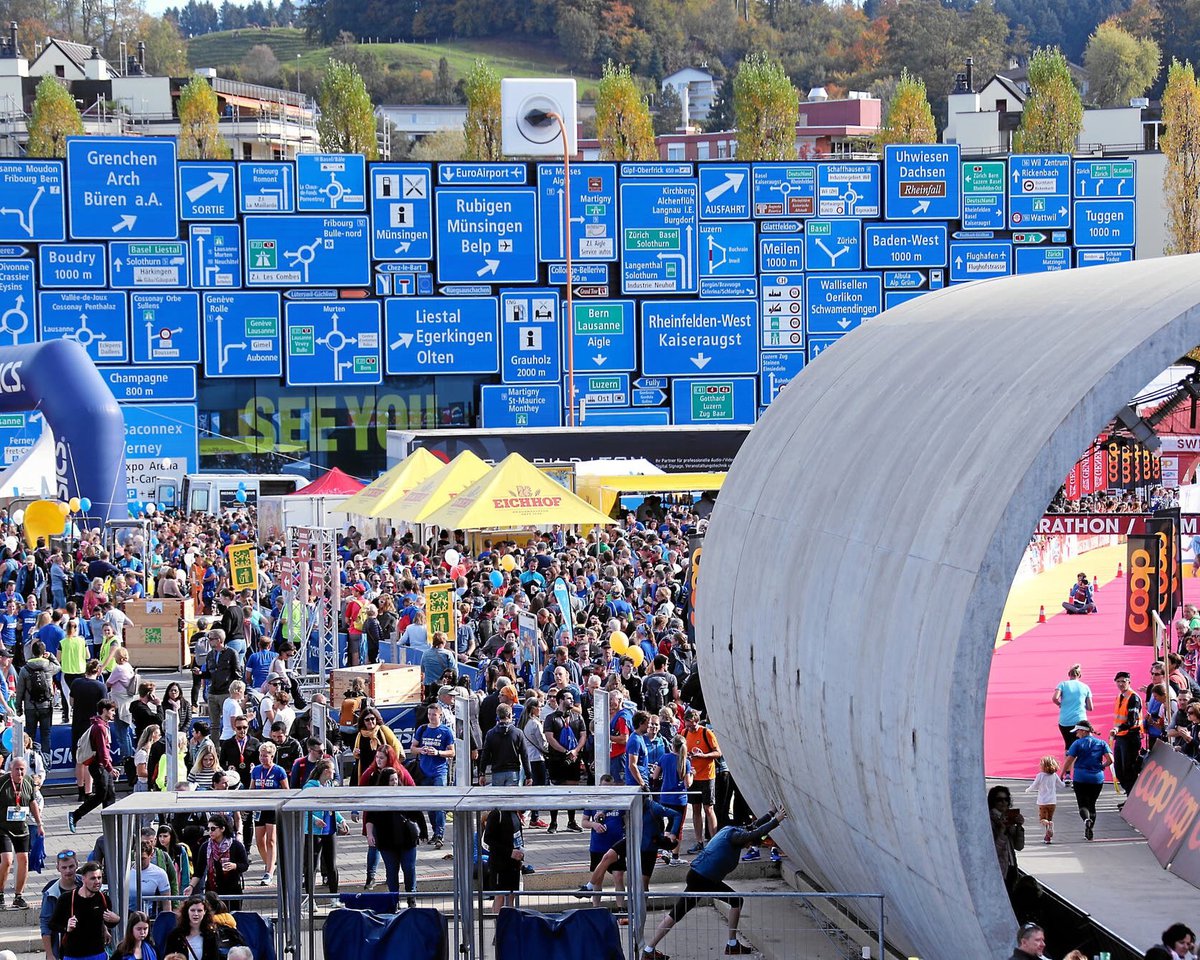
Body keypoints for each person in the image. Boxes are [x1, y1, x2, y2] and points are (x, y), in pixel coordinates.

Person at [640, 806, 788, 960]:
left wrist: (770, 813)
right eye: (748, 844)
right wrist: (777, 820)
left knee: (678, 913)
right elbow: (756, 832)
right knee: (735, 901)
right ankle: (731, 944)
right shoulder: (737, 837)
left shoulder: (731, 830)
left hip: (699, 876)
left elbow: (753, 827)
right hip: (703, 878)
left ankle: (650, 949)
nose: (747, 846)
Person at [364, 768, 419, 909]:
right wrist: (370, 835)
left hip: (407, 839)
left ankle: (411, 898)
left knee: (409, 868)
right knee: (391, 871)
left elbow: (416, 813)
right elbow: (370, 818)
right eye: (391, 780)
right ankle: (394, 900)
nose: (395, 782)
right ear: (384, 782)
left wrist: (422, 832)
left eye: (396, 779)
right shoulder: (377, 798)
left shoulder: (404, 794)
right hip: (387, 841)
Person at [48, 861, 119, 960]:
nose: (97, 882)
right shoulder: (67, 898)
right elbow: (52, 924)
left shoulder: (103, 899)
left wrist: (116, 920)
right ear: (83, 879)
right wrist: (66, 927)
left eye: (99, 878)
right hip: (73, 955)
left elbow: (109, 924)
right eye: (93, 878)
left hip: (97, 954)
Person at [0, 756, 44, 909]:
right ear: (10, 770)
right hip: (3, 827)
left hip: (21, 826)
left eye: (22, 769)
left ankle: (18, 896)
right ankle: (0, 894)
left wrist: (39, 823)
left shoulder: (28, 782)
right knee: (7, 860)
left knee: (24, 859)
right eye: (16, 769)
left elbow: (32, 802)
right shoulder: (3, 782)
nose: (19, 772)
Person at [68, 699, 119, 833]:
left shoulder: (101, 725)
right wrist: (110, 768)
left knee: (110, 794)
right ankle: (76, 814)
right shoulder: (100, 728)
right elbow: (102, 751)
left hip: (101, 765)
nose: (114, 713)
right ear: (104, 710)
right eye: (112, 710)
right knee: (101, 795)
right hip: (99, 766)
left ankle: (111, 826)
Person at [301, 758, 346, 902]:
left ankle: (334, 897)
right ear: (326, 771)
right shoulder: (310, 787)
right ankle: (310, 899)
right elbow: (303, 808)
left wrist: (341, 820)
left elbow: (332, 807)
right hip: (313, 831)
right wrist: (314, 819)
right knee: (312, 865)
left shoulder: (330, 785)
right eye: (333, 770)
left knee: (331, 864)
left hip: (329, 829)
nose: (334, 773)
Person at [183, 814, 248, 910]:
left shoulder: (235, 845)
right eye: (208, 829)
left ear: (222, 829)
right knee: (212, 920)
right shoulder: (205, 847)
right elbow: (199, 871)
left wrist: (234, 866)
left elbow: (245, 865)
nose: (210, 832)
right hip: (212, 891)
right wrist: (191, 886)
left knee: (232, 919)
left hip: (232, 890)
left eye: (213, 829)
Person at [1062, 720, 1113, 840]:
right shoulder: (1101, 743)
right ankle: (1089, 828)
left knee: (1082, 804)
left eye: (1077, 732)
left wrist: (1062, 773)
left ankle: (1086, 820)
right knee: (1092, 804)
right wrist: (1102, 766)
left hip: (1080, 778)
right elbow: (1111, 760)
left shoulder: (1077, 743)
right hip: (1097, 779)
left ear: (1084, 731)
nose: (1076, 735)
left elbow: (1069, 759)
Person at [412, 703, 454, 847]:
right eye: (429, 714)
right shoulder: (422, 729)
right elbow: (413, 748)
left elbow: (452, 752)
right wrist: (421, 750)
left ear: (440, 715)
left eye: (434, 715)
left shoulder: (446, 731)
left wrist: (438, 753)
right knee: (430, 805)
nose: (431, 717)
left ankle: (439, 835)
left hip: (439, 772)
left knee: (440, 805)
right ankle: (435, 831)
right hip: (424, 772)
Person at [249, 741, 288, 886]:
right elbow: (251, 789)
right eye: (261, 755)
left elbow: (286, 790)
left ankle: (269, 871)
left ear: (272, 756)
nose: (263, 758)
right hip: (260, 808)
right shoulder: (256, 770)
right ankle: (270, 863)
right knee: (259, 841)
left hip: (273, 808)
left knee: (271, 840)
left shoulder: (279, 771)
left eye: (266, 756)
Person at [682, 709, 721, 853]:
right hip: (693, 776)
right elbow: (681, 752)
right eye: (687, 725)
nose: (689, 728)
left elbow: (718, 753)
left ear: (697, 721)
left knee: (708, 808)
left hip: (707, 776)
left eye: (691, 725)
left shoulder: (706, 733)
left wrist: (703, 755)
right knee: (696, 809)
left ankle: (715, 842)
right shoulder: (684, 733)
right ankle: (699, 841)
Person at [17, 639, 58, 761]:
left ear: (32, 651)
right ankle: (46, 762)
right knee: (46, 735)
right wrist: (51, 656)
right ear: (43, 652)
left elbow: (20, 690)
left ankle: (30, 761)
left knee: (30, 736)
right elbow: (58, 666)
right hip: (46, 706)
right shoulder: (49, 666)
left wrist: (18, 707)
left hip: (30, 707)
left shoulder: (25, 669)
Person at [480, 806, 524, 912]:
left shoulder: (514, 812)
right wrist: (509, 852)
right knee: (499, 895)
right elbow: (488, 839)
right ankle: (498, 924)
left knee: (511, 895)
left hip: (514, 863)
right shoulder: (496, 814)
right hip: (500, 864)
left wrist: (521, 856)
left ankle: (509, 923)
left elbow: (518, 836)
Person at [1052, 663, 1093, 776]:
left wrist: (1060, 704)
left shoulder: (1063, 684)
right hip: (1080, 720)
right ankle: (1081, 771)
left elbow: (1055, 698)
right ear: (1080, 675)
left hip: (1065, 720)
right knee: (1082, 744)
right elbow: (1090, 707)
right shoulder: (1085, 687)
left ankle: (1068, 774)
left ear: (1069, 674)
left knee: (1068, 746)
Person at [40, 850, 80, 960]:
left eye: (71, 866)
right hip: (63, 946)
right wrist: (50, 954)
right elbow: (45, 924)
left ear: (77, 865)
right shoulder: (51, 893)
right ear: (58, 868)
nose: (68, 871)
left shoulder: (85, 883)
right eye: (64, 867)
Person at [1110, 670, 1143, 800]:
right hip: (1121, 737)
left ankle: (1131, 797)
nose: (1120, 684)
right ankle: (1130, 794)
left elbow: (1132, 721)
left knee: (1128, 770)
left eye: (1123, 681)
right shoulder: (1120, 697)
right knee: (1119, 770)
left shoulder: (1133, 698)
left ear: (1129, 682)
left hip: (1130, 737)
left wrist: (1117, 729)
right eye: (1118, 681)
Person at [988, 785, 1024, 891]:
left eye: (1006, 799)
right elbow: (994, 851)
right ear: (993, 802)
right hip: (999, 869)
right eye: (999, 800)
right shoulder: (989, 821)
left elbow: (1019, 846)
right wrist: (1002, 831)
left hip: (1011, 866)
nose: (1004, 803)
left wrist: (1019, 827)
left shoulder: (1009, 818)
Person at [1024, 756, 1067, 845]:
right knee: (1049, 819)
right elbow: (1061, 785)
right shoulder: (1054, 776)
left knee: (1043, 819)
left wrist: (1028, 790)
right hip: (1052, 802)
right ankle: (1047, 838)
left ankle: (1049, 826)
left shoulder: (1040, 776)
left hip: (1043, 802)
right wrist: (1066, 783)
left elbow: (1034, 785)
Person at [125, 843, 170, 916]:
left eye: (143, 859)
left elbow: (166, 902)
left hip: (149, 915)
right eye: (137, 858)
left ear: (151, 856)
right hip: (128, 914)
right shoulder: (126, 870)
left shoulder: (160, 873)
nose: (139, 862)